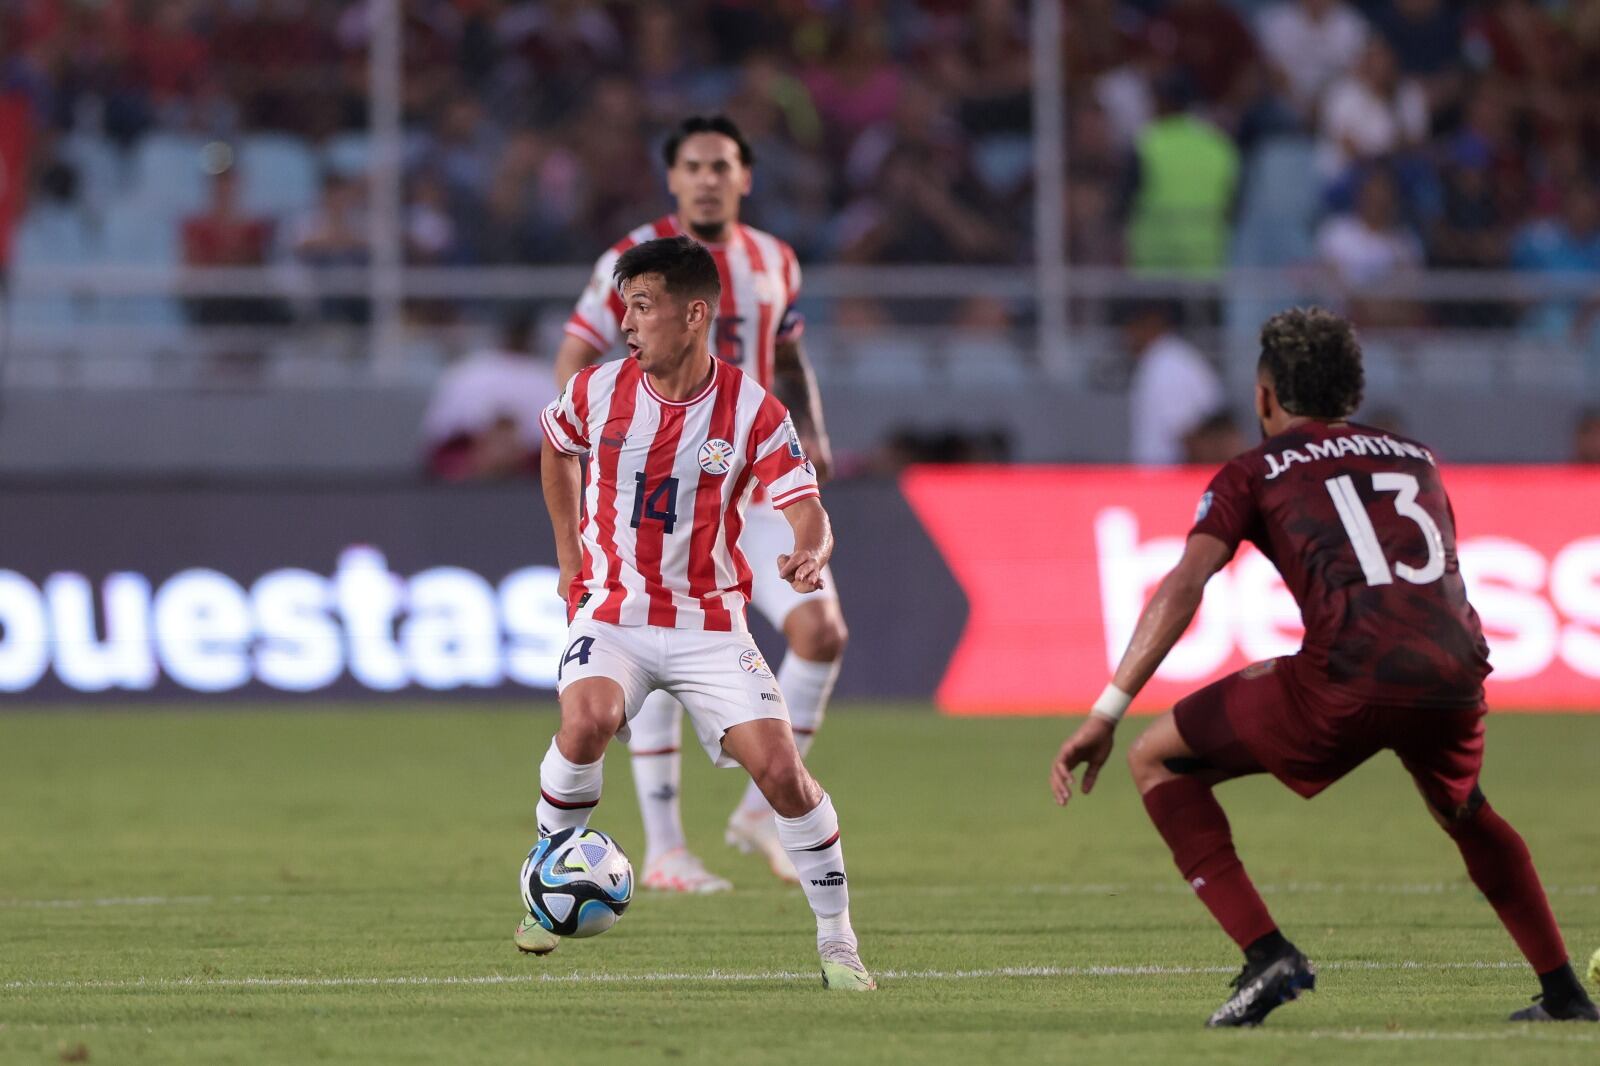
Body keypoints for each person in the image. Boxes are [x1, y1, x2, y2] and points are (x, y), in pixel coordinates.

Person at [1049, 307, 1598, 1028]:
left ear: (1265, 396)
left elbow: (1185, 583)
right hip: (1456, 670)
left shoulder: (1252, 470)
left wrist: (1106, 712)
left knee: (1158, 759)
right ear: (1351, 394)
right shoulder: (1417, 456)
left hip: (1348, 673)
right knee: (1465, 811)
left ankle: (1267, 953)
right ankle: (1564, 994)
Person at [518, 236, 874, 992]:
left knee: (783, 774)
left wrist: (810, 551)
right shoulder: (595, 391)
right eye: (626, 309)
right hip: (613, 612)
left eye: (644, 308)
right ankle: (543, 883)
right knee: (586, 722)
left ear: (694, 315)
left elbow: (807, 508)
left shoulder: (752, 409)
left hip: (710, 624)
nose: (629, 324)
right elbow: (555, 448)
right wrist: (569, 559)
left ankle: (838, 942)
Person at [553, 115, 846, 893]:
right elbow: (581, 345)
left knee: (822, 632)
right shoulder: (631, 259)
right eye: (694, 165)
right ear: (674, 178)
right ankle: (665, 848)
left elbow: (787, 351)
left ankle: (759, 809)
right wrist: (604, 445)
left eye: (723, 165)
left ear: (745, 177)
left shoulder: (775, 260)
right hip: (661, 481)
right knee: (647, 626)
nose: (709, 178)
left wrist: (811, 431)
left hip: (750, 478)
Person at [419, 312, 555, 481]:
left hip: (533, 477)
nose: (502, 447)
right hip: (464, 475)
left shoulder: (544, 377)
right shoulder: (468, 372)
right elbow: (435, 446)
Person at [1122, 300, 1225, 466]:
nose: (1127, 336)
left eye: (1131, 327)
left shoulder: (1167, 364)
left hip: (1171, 479)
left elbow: (1189, 436)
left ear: (1151, 323)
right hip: (1166, 477)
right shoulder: (1168, 357)